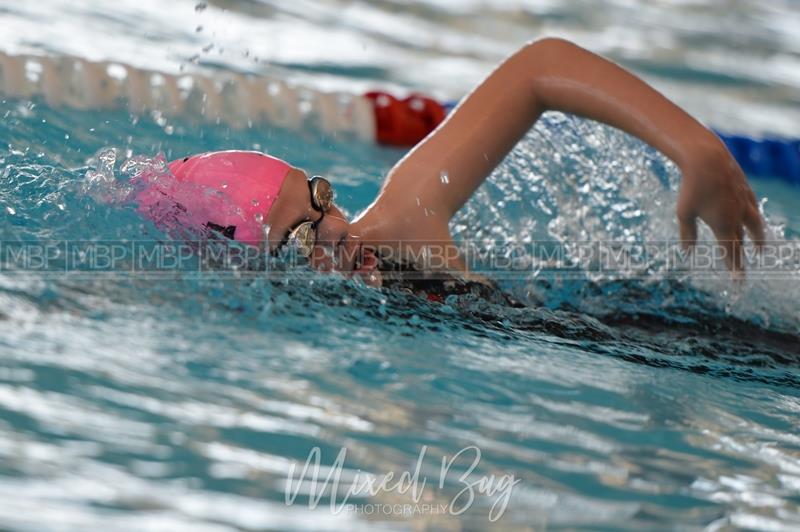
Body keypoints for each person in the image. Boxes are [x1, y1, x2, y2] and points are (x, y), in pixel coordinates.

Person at [142, 38, 765, 299]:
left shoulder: (403, 222)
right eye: (302, 237)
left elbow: (537, 68)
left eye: (320, 197)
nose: (336, 228)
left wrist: (694, 147)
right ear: (252, 270)